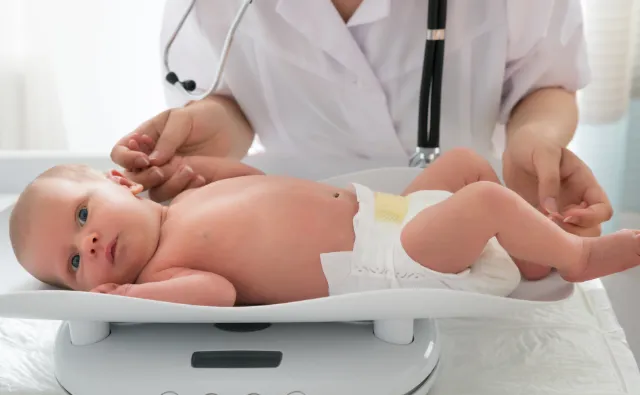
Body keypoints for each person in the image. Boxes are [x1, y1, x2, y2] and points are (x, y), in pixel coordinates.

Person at [110, 0, 612, 281]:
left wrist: (536, 138)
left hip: (435, 214)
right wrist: (211, 126)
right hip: (310, 252)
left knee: (489, 208)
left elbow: (545, 82)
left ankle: (560, 252)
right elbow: (229, 95)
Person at [8, 149, 638, 307]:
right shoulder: (164, 269)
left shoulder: (192, 199)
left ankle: (532, 255)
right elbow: (217, 294)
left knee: (465, 166)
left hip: (385, 211)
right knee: (484, 201)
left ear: (121, 183)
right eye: (71, 264)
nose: (87, 244)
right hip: (387, 259)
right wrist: (132, 295)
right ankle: (576, 258)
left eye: (83, 216)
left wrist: (194, 168)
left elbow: (255, 181)